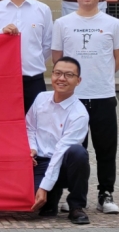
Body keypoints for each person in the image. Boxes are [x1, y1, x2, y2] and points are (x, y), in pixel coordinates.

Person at [52, 0, 119, 215]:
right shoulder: (63, 24)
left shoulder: (112, 24)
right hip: (73, 98)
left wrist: (99, 75)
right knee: (74, 149)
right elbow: (57, 59)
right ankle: (73, 194)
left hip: (103, 95)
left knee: (106, 148)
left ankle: (106, 193)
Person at [28, 56, 90, 225]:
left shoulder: (79, 114)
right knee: (28, 201)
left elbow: (61, 151)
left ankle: (76, 206)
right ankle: (52, 198)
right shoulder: (41, 98)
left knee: (78, 153)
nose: (61, 78)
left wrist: (44, 187)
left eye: (69, 75)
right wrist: (32, 148)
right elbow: (29, 127)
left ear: (78, 80)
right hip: (39, 162)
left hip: (63, 164)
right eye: (57, 73)